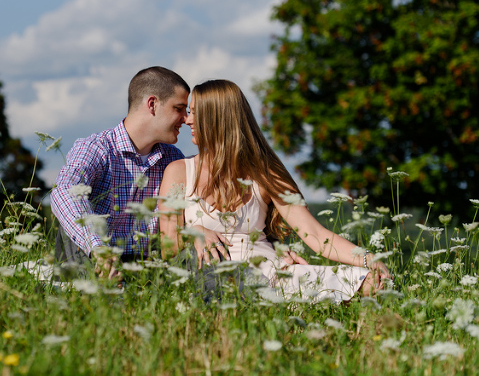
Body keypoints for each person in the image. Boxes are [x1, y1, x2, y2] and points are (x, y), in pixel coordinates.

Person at [158, 79, 390, 303]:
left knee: (369, 282)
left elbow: (317, 236)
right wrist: (194, 230)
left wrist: (370, 259)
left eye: (195, 112)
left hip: (270, 274)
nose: (187, 120)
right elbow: (169, 248)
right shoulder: (179, 172)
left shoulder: (265, 173)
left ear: (217, 118)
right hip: (212, 276)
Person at [50, 66, 190, 278]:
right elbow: (65, 191)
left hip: (146, 265)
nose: (186, 119)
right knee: (74, 221)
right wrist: (98, 247)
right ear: (152, 104)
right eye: (179, 108)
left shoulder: (173, 159)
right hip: (92, 257)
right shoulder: (97, 147)